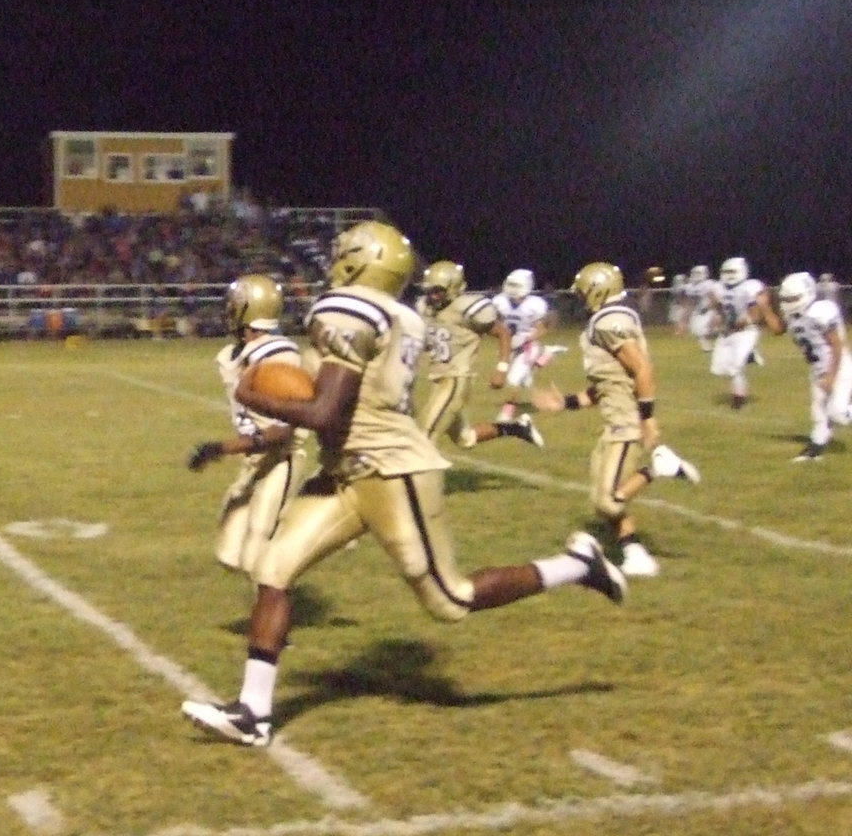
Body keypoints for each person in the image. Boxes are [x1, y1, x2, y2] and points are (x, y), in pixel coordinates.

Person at [180, 222, 628, 748]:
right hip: (348, 468)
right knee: (273, 569)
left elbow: (324, 412)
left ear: (359, 261)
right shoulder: (401, 314)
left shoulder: (347, 309)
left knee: (450, 599)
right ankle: (253, 713)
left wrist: (257, 395)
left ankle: (578, 565)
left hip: (392, 471)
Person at [532, 262, 701, 579]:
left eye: (584, 293)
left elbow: (642, 370)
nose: (582, 299)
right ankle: (636, 554)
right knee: (602, 502)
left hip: (626, 424)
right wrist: (566, 402)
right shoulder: (604, 323)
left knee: (610, 501)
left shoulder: (610, 321)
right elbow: (606, 386)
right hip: (614, 422)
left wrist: (647, 420)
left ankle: (659, 467)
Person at [186, 274, 310, 577]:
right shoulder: (235, 355)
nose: (228, 311)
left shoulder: (278, 357)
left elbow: (281, 431)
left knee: (256, 544)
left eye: (233, 306)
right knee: (230, 555)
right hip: (255, 460)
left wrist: (222, 447)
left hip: (282, 458)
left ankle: (272, 607)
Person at [415, 260, 544, 450]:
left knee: (424, 437)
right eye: (429, 290)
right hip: (438, 378)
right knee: (465, 439)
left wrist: (502, 368)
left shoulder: (467, 307)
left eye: (438, 290)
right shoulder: (424, 307)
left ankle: (413, 479)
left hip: (455, 379)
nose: (432, 295)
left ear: (453, 288)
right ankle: (516, 428)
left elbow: (503, 333)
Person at [761, 272, 852, 462]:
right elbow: (778, 329)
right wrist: (765, 307)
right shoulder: (794, 313)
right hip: (817, 368)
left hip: (838, 366)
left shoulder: (820, 311)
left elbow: (837, 346)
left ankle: (817, 446)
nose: (789, 302)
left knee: (838, 413)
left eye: (793, 298)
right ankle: (815, 450)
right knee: (819, 412)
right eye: (786, 298)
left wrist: (831, 377)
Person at [491, 268, 566, 421]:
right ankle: (548, 354)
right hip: (509, 345)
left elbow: (544, 327)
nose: (513, 290)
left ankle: (507, 412)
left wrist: (526, 339)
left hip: (528, 346)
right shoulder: (500, 301)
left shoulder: (535, 304)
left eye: (517, 286)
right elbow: (495, 323)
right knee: (526, 380)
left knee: (514, 379)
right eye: (511, 285)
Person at [708, 257, 771, 409]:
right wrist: (718, 316)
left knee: (735, 367)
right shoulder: (719, 287)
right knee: (720, 368)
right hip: (728, 330)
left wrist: (745, 320)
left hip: (746, 331)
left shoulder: (750, 287)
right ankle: (750, 355)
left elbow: (755, 315)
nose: (729, 274)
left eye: (732, 271)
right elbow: (718, 307)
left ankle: (738, 400)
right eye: (727, 271)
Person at [683, 265, 720, 352]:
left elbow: (714, 298)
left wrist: (713, 309)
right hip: (698, 311)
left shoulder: (709, 284)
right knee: (697, 331)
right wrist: (687, 313)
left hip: (709, 310)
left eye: (698, 273)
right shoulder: (690, 286)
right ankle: (707, 348)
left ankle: (715, 345)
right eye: (695, 273)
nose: (696, 275)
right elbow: (690, 301)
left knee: (711, 330)